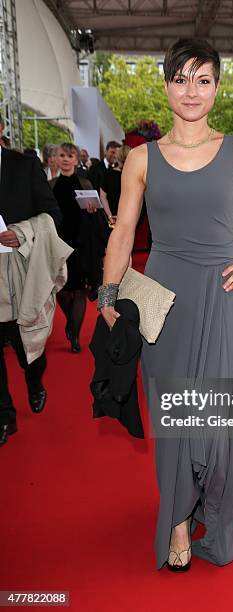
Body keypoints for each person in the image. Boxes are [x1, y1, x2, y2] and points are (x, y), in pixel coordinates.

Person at [98, 38, 233, 571]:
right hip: (162, 297)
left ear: (216, 88)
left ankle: (213, 495)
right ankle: (178, 521)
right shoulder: (140, 159)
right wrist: (108, 291)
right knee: (173, 412)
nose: (191, 90)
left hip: (222, 296)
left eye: (202, 80)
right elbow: (125, 231)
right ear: (165, 86)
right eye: (181, 78)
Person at [0, 116, 62, 447]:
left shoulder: (23, 166)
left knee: (26, 348)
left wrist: (21, 232)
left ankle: (34, 381)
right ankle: (4, 416)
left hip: (20, 272)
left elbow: (53, 214)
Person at [49, 143, 95, 353]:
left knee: (78, 291)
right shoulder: (49, 185)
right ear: (55, 159)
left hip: (81, 243)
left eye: (70, 156)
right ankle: (70, 323)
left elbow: (95, 217)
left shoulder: (85, 184)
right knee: (60, 289)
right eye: (62, 155)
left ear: (77, 160)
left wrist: (93, 211)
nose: (66, 159)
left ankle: (75, 336)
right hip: (56, 244)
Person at [99, 144, 131, 225]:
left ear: (117, 157)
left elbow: (103, 197)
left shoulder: (107, 174)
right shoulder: (135, 175)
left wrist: (110, 216)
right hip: (131, 219)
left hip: (113, 219)